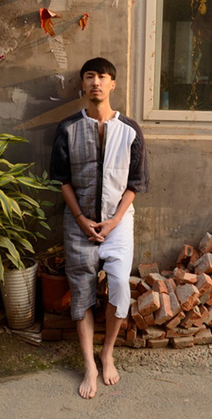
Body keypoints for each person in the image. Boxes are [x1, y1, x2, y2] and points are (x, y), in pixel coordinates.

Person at [50, 57, 149, 399]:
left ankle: (107, 353)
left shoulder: (131, 130)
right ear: (82, 84)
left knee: (120, 287)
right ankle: (89, 365)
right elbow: (61, 180)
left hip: (117, 224)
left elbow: (135, 183)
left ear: (112, 84)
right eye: (89, 76)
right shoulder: (67, 128)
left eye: (102, 77)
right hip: (78, 224)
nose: (96, 82)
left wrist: (114, 221)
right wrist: (81, 220)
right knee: (81, 293)